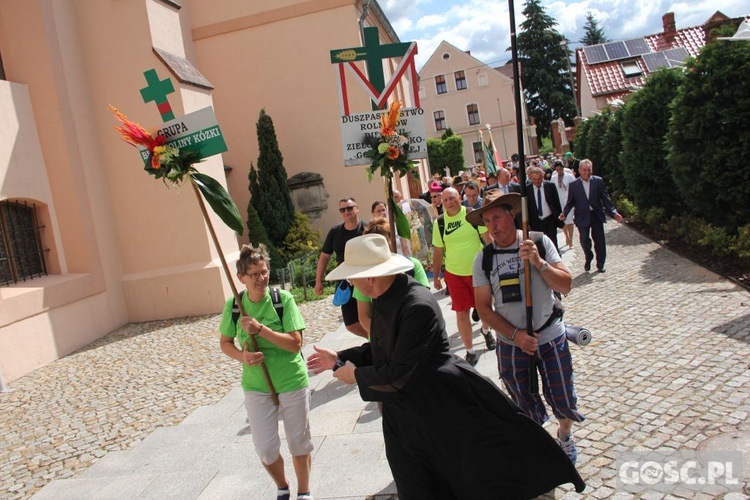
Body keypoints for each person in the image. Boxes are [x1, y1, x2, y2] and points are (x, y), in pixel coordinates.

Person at [306, 234, 585, 499]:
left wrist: (354, 375)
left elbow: (400, 374)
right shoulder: (383, 297)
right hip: (404, 416)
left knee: (456, 480)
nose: (351, 286)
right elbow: (382, 349)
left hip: (438, 408)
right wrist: (340, 357)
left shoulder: (417, 305)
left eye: (351, 279)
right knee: (413, 483)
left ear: (369, 276)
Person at [468, 190, 584, 465]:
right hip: (512, 343)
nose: (492, 226)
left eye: (497, 217)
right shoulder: (484, 259)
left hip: (550, 335)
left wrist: (539, 263)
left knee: (563, 396)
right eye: (487, 221)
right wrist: (516, 335)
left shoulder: (539, 243)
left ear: (512, 214)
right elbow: (483, 308)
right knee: (522, 400)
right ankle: (538, 444)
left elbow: (565, 285)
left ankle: (565, 435)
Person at [219, 244, 313, 500]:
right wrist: (243, 357)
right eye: (255, 274)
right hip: (256, 385)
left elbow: (295, 344)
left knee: (298, 442)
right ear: (241, 278)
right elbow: (225, 343)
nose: (262, 278)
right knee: (265, 448)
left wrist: (261, 330)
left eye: (265, 271)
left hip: (291, 379)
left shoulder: (283, 300)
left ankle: (304, 492)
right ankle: (282, 485)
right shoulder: (235, 306)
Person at [432, 187, 494, 366]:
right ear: (441, 203)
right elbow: (438, 250)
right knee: (462, 312)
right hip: (454, 274)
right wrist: (436, 276)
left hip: (478, 271)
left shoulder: (472, 215)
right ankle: (470, 350)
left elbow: (487, 238)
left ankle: (486, 330)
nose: (450, 203)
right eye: (445, 200)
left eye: (452, 198)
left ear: (460, 197)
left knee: (484, 308)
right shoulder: (440, 223)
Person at [354, 217, 429, 334]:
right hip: (382, 340)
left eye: (383, 240)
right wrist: (383, 337)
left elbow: (425, 301)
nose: (379, 247)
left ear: (392, 239)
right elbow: (364, 317)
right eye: (374, 243)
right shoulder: (364, 276)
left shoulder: (412, 265)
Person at [315, 197, 368, 338]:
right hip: (345, 283)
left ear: (357, 208)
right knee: (351, 324)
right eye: (342, 209)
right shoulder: (335, 231)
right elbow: (324, 256)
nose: (346, 212)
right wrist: (318, 280)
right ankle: (374, 339)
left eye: (349, 208)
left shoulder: (366, 229)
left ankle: (378, 342)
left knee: (367, 318)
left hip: (365, 281)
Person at [560, 159, 624, 272]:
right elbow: (570, 202)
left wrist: (614, 212)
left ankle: (600, 264)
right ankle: (588, 256)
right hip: (582, 216)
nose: (587, 172)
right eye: (584, 170)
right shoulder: (574, 185)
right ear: (579, 170)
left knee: (599, 240)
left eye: (589, 170)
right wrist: (564, 213)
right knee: (584, 240)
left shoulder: (598, 181)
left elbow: (605, 198)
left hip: (596, 215)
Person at [527, 166, 563, 252]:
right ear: (531, 178)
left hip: (550, 220)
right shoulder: (527, 189)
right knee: (539, 247)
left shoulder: (550, 186)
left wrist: (559, 217)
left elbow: (556, 203)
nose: (536, 181)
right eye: (534, 179)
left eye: (539, 179)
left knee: (553, 244)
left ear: (542, 177)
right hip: (535, 222)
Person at [551, 160, 576, 248]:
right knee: (562, 221)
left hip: (568, 200)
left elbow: (574, 187)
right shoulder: (553, 178)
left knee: (570, 221)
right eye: (557, 170)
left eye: (560, 169)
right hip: (559, 201)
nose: (559, 171)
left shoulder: (569, 176)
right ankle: (567, 236)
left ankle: (571, 240)